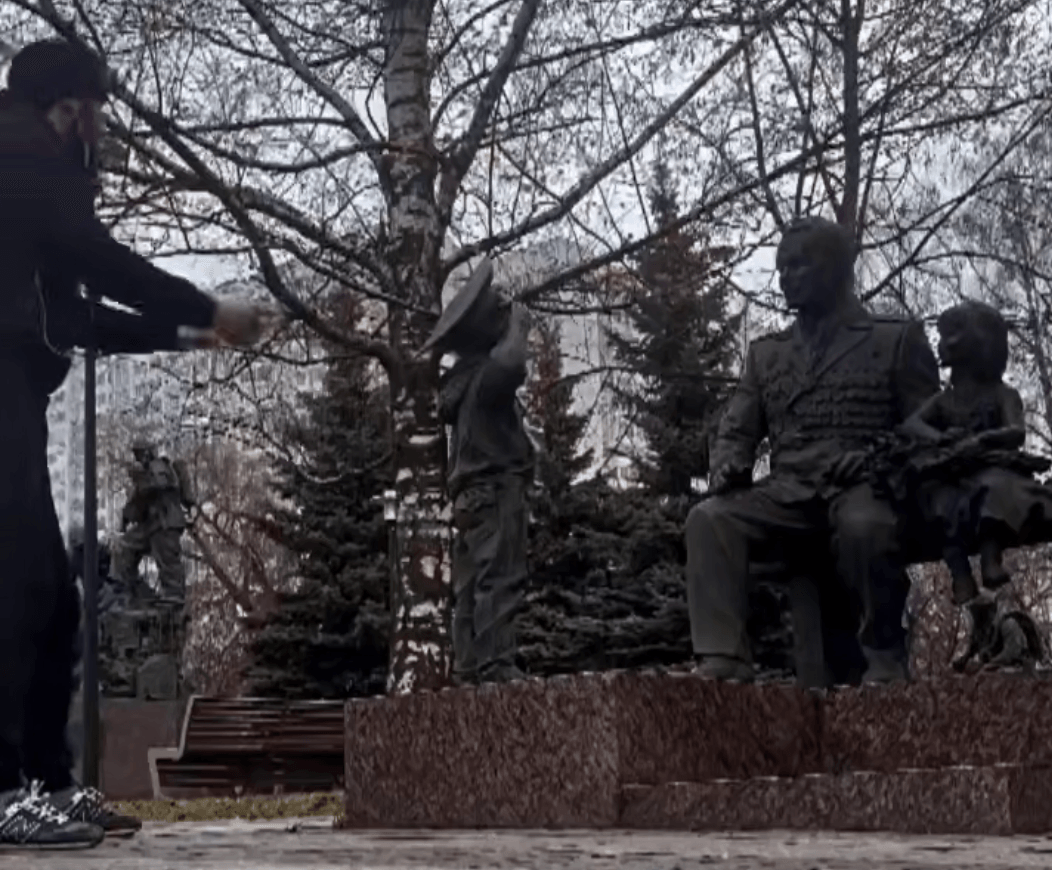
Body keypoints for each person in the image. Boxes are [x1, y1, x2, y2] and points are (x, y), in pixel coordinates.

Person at [0, 38, 269, 847]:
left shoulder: (28, 184)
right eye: (97, 111)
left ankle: (47, 783)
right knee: (17, 586)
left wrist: (191, 334)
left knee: (53, 596)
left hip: (14, 388)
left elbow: (76, 317)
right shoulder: (20, 149)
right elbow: (102, 262)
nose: (104, 131)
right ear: (68, 106)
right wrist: (206, 308)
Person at [684, 216, 940, 685]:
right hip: (789, 493)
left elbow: (930, 429)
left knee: (865, 527)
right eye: (782, 267)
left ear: (837, 267)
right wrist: (728, 465)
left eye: (800, 265)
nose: (787, 277)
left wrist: (877, 458)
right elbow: (736, 430)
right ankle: (724, 658)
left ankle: (883, 656)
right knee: (710, 519)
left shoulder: (894, 338)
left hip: (864, 485)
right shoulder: (767, 354)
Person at [422, 258, 534, 686]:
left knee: (468, 588)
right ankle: (496, 666)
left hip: (469, 499)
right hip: (496, 490)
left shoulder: (463, 384)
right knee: (499, 577)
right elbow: (511, 365)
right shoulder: (486, 381)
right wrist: (520, 325)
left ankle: (468, 666)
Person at [897, 301, 1052, 605]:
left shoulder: (1003, 394)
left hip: (989, 467)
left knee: (993, 490)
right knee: (940, 503)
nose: (940, 344)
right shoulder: (943, 401)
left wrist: (981, 441)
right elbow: (911, 426)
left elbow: (1016, 432)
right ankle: (960, 575)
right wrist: (941, 439)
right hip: (951, 472)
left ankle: (990, 559)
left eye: (949, 336)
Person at [112, 441, 192, 604]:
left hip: (165, 521)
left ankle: (174, 596)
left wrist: (140, 477)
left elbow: (156, 486)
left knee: (167, 559)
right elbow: (137, 502)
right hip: (152, 524)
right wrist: (126, 517)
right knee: (126, 547)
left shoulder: (158, 466)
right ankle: (129, 587)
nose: (137, 458)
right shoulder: (147, 471)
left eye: (139, 454)